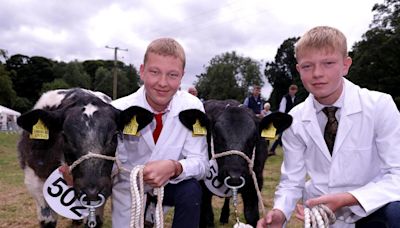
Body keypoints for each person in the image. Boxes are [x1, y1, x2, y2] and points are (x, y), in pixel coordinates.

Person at [257, 26, 400, 228]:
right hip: (322, 216)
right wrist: (280, 213)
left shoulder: (379, 106)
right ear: (298, 69)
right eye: (307, 66)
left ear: (345, 65)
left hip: (375, 210)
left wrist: (349, 198)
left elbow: (397, 175)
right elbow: (292, 180)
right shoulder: (295, 119)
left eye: (328, 63)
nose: (317, 73)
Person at [111, 38, 209, 228]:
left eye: (172, 75)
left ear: (182, 76)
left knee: (191, 191)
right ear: (142, 71)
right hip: (129, 189)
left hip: (170, 185)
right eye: (155, 72)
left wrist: (174, 167)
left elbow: (202, 163)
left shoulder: (193, 107)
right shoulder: (117, 109)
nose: (163, 83)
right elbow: (111, 165)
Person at [268, 84, 298, 155]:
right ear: (289, 90)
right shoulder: (285, 98)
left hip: (292, 119)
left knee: (286, 134)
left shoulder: (296, 98)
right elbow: (282, 109)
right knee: (281, 134)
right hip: (284, 118)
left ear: (296, 91)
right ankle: (272, 150)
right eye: (292, 90)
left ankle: (275, 149)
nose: (293, 91)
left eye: (294, 90)